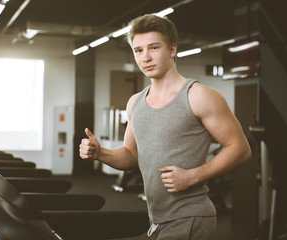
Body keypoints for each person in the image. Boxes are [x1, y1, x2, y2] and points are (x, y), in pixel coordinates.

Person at [79, 14, 252, 240]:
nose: (146, 57)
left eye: (153, 48)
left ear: (172, 50)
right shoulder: (135, 103)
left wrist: (192, 176)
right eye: (138, 50)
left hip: (190, 216)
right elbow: (131, 156)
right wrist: (100, 153)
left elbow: (241, 149)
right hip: (157, 217)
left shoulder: (198, 96)